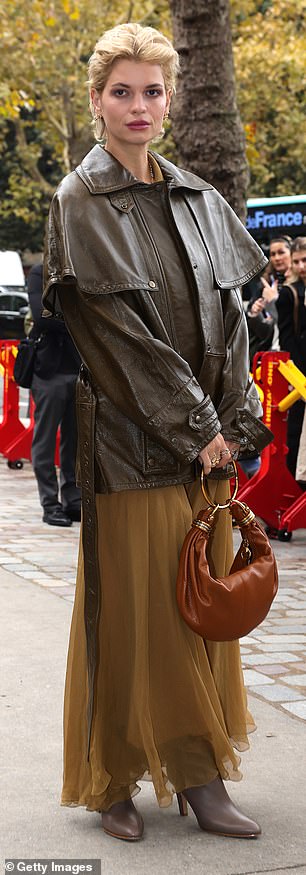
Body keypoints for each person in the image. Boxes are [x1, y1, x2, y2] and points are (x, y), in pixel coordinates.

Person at [43, 23, 272, 841]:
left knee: (200, 603)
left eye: (153, 91)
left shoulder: (197, 195)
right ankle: (116, 777)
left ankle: (195, 767)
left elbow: (235, 310)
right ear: (98, 100)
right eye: (122, 92)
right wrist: (201, 427)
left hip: (205, 448)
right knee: (136, 613)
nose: (139, 107)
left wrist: (235, 419)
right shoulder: (80, 200)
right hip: (134, 449)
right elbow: (118, 339)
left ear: (171, 100)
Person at [28, 263, 81, 525]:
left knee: (74, 442)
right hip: (48, 371)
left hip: (79, 369)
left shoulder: (81, 271)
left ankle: (72, 501)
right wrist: (76, 318)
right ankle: (50, 504)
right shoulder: (39, 273)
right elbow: (41, 317)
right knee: (45, 441)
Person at [277, 237, 306, 477]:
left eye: (305, 260)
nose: (301, 266)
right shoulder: (289, 293)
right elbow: (288, 339)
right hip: (299, 373)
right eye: (297, 261)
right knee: (296, 429)